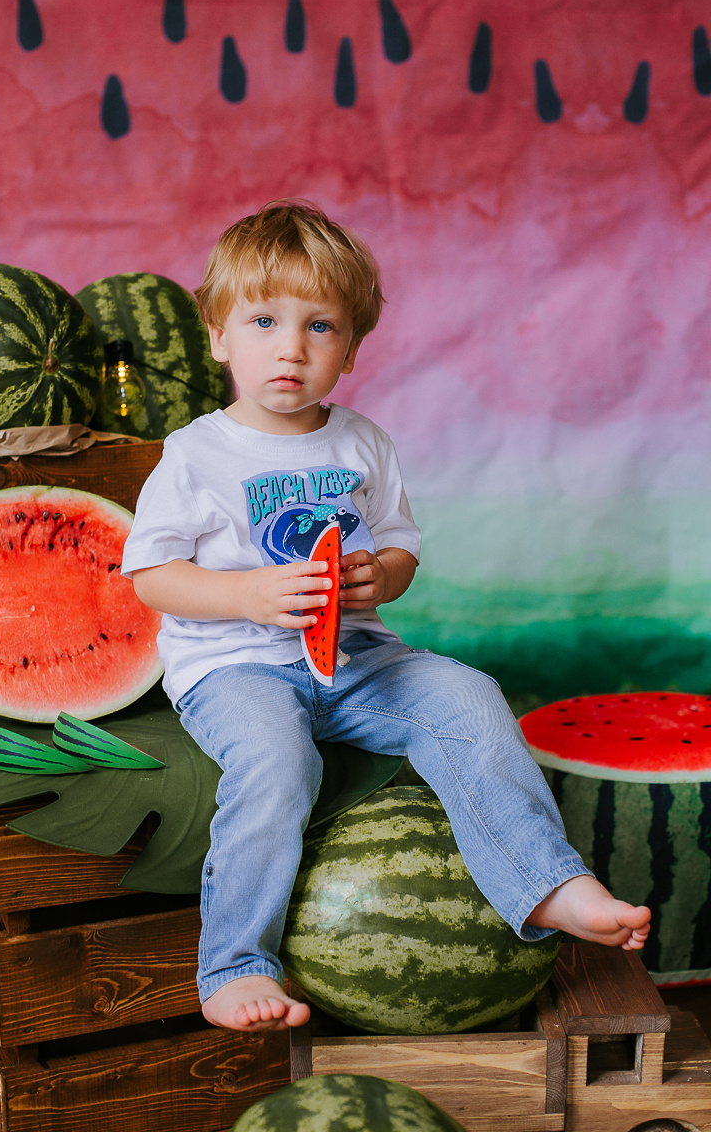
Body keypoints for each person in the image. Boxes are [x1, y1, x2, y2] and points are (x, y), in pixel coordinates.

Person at [121, 201, 650, 1034]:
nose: (290, 347)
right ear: (220, 335)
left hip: (359, 658)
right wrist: (247, 597)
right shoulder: (195, 453)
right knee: (273, 758)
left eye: (320, 327)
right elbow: (150, 575)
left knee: (468, 695)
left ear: (351, 351)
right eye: (264, 320)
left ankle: (545, 883)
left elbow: (400, 551)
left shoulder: (363, 443)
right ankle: (233, 964)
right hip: (234, 666)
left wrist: (376, 579)